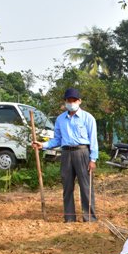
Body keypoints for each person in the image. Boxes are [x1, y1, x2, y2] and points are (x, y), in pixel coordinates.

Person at [33, 88, 97, 223]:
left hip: (82, 153)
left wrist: (93, 159)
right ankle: (69, 217)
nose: (71, 103)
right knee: (67, 187)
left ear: (79, 101)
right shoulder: (60, 119)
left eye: (74, 100)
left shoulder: (88, 118)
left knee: (86, 187)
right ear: (65, 102)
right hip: (66, 153)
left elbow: (93, 140)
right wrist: (43, 145)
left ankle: (89, 218)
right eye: (69, 100)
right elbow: (57, 139)